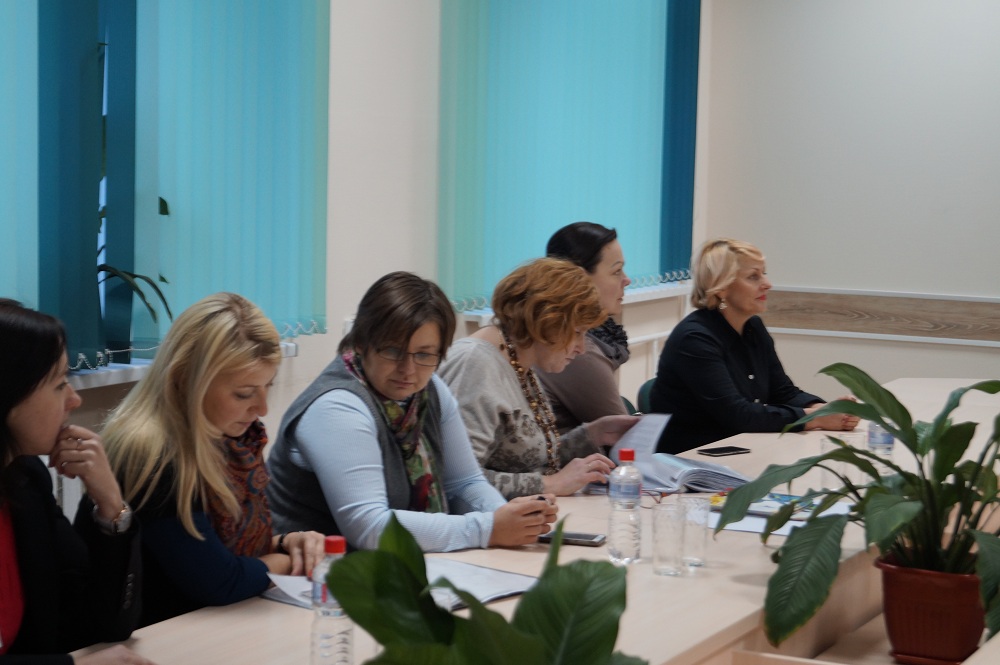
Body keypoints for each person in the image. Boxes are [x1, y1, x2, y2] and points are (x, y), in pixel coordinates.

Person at [267, 272, 557, 552]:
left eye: (424, 354)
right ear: (361, 343)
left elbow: (464, 482)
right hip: (309, 575)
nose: (408, 369)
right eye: (393, 351)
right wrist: (488, 528)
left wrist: (511, 518)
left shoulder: (430, 390)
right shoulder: (337, 407)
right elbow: (369, 527)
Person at [102, 293, 325, 627]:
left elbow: (218, 547)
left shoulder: (231, 438)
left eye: (268, 386)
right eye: (243, 393)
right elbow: (219, 581)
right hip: (163, 633)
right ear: (185, 380)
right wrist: (283, 562)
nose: (262, 408)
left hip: (214, 624)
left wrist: (287, 543)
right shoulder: (152, 455)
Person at [0, 299, 152, 664]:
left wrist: (110, 504)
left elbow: (106, 624)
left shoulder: (25, 480)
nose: (74, 399)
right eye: (59, 384)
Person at [438, 258, 639, 499]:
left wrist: (592, 435)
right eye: (577, 333)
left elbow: (528, 459)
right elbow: (455, 482)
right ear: (546, 322)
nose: (581, 348)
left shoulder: (521, 360)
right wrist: (549, 485)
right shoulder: (475, 364)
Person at [649, 239, 859, 453]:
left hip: (739, 447)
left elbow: (783, 392)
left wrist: (823, 409)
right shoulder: (695, 339)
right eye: (753, 276)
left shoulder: (753, 326)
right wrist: (816, 418)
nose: (767, 284)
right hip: (691, 458)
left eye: (764, 273)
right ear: (721, 288)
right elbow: (738, 415)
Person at [537, 221, 632, 432]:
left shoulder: (590, 337)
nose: (627, 280)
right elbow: (624, 439)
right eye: (616, 271)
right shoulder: (576, 352)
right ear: (579, 278)